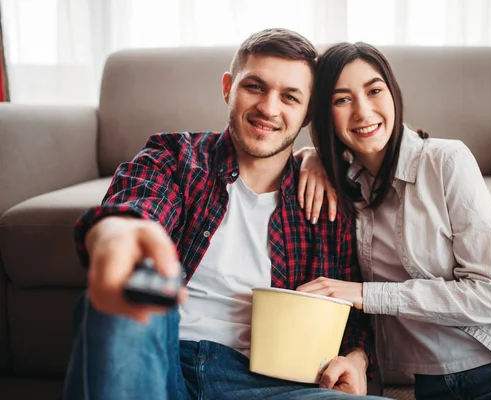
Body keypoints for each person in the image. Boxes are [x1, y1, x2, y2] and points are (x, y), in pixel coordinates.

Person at [62, 29, 387, 400]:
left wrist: (357, 360)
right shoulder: (174, 156)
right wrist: (116, 236)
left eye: (290, 97)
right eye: (255, 87)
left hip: (270, 385)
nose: (269, 108)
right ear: (227, 88)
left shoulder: (326, 194)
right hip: (159, 364)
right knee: (128, 291)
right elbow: (136, 211)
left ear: (309, 111)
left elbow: (350, 310)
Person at [295, 42, 491, 399]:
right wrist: (312, 157)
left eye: (374, 90)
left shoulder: (446, 160)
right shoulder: (343, 186)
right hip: (435, 385)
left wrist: (365, 294)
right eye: (342, 100)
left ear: (393, 93)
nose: (363, 111)